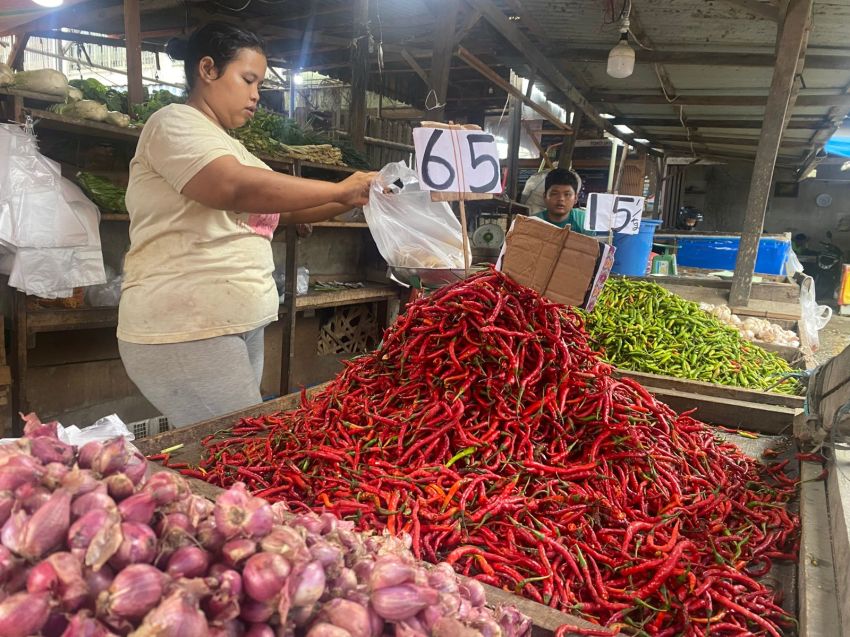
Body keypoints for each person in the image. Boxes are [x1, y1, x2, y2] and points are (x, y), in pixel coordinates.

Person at [117, 23, 376, 428]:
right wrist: (338, 188)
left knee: (227, 451)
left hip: (232, 322)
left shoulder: (229, 145)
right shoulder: (173, 124)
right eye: (248, 79)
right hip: (188, 327)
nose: (257, 95)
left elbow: (278, 213)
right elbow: (232, 188)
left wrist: (348, 200)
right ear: (207, 69)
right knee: (236, 452)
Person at [532, 168, 593, 235]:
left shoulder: (584, 221)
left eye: (567, 194)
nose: (561, 198)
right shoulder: (533, 223)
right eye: (554, 194)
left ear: (575, 198)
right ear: (544, 197)